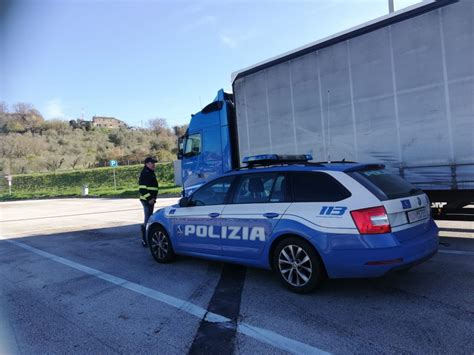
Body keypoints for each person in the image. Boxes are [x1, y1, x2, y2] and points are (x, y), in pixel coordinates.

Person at [138, 157, 159, 247]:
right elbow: (142, 189)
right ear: (147, 164)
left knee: (149, 218)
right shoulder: (145, 173)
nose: (154, 164)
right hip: (147, 201)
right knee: (148, 219)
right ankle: (145, 239)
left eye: (154, 163)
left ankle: (147, 238)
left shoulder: (150, 172)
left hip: (150, 200)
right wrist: (150, 198)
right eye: (152, 163)